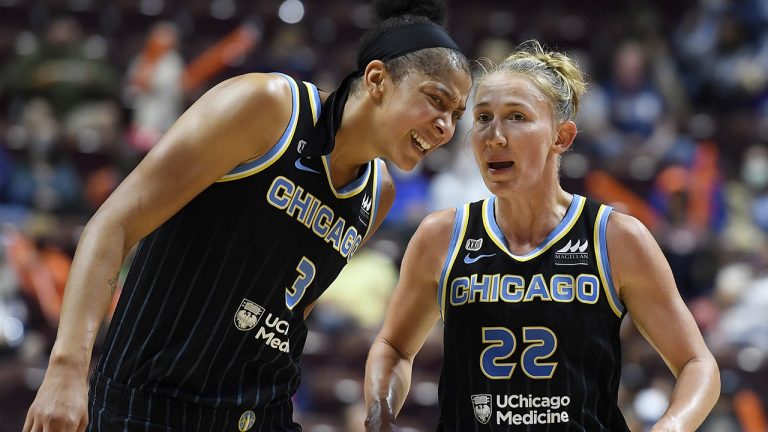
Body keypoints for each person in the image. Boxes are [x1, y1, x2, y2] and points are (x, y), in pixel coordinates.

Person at [23, 0, 471, 430]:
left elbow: (291, 314)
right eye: (436, 99)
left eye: (455, 115)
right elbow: (113, 224)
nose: (445, 126)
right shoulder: (268, 107)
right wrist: (66, 367)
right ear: (377, 79)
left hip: (256, 414)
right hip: (148, 402)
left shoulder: (379, 194)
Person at [364, 40, 719, 432]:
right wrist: (381, 409)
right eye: (482, 118)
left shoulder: (616, 238)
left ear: (561, 137)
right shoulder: (441, 235)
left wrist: (671, 427)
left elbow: (697, 364)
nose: (494, 136)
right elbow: (394, 348)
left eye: (516, 117)